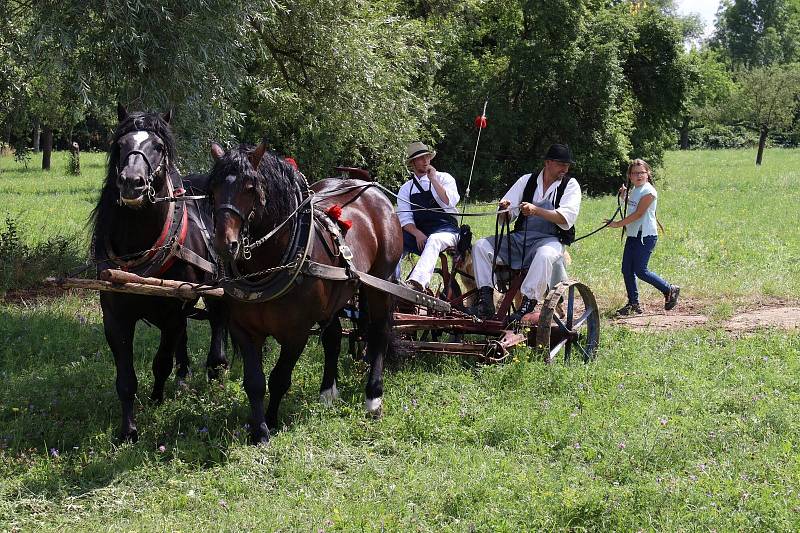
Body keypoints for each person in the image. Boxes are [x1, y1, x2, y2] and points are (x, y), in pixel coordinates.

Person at [467, 143, 581, 323]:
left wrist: (536, 210)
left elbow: (565, 218)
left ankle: (527, 304)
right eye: (561, 164)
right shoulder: (527, 180)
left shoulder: (570, 185)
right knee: (481, 246)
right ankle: (486, 301)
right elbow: (507, 214)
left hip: (550, 239)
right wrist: (504, 210)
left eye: (567, 165)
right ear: (548, 162)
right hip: (521, 238)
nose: (565, 169)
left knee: (544, 255)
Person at [606, 158, 680, 315]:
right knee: (627, 270)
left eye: (641, 172)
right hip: (633, 235)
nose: (638, 175)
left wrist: (618, 224)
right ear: (630, 176)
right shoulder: (635, 190)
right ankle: (633, 304)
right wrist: (624, 196)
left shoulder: (649, 191)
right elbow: (633, 205)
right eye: (634, 173)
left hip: (645, 236)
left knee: (640, 270)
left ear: (648, 174)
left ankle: (669, 289)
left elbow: (639, 213)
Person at [395, 141, 461, 292]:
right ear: (413, 162)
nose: (425, 161)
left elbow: (450, 201)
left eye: (427, 157)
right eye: (420, 158)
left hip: (447, 231)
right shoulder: (406, 189)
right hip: (420, 234)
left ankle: (417, 283)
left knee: (434, 239)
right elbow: (404, 219)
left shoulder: (444, 178)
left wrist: (434, 180)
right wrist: (417, 234)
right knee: (396, 239)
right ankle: (392, 281)